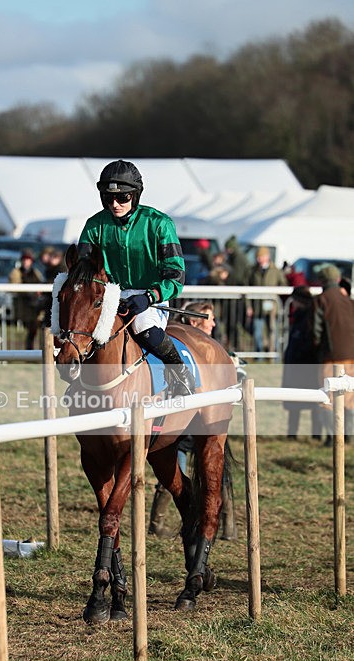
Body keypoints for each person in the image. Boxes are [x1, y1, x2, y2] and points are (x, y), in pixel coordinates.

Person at [79, 160, 194, 395]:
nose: (115, 204)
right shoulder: (94, 226)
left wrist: (149, 297)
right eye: (109, 198)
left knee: (143, 326)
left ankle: (179, 371)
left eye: (123, 198)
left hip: (149, 299)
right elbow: (82, 272)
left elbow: (176, 275)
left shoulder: (159, 223)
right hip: (109, 298)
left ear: (135, 195)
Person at [148, 301, 238, 540]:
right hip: (181, 422)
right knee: (171, 467)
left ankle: (228, 525)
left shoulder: (215, 349)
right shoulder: (189, 344)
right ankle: (158, 522)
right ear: (194, 323)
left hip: (206, 417)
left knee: (218, 470)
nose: (214, 323)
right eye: (209, 319)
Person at [313, 265, 354, 445]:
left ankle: (332, 437)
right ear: (337, 280)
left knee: (327, 397)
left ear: (322, 281)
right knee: (349, 397)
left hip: (331, 356)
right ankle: (349, 436)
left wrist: (316, 348)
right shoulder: (349, 300)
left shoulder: (321, 300)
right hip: (351, 355)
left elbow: (316, 330)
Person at [281, 286, 321, 440]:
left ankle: (308, 433)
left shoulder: (307, 318)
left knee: (311, 401)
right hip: (301, 363)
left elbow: (308, 341)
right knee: (303, 401)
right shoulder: (303, 316)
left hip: (303, 364)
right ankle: (300, 433)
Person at [246, 246, 286, 353]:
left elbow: (283, 284)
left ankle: (274, 353)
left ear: (267, 257)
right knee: (257, 331)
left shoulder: (275, 271)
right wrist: (249, 306)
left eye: (261, 256)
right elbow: (248, 288)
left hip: (272, 307)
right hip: (257, 306)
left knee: (273, 331)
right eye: (258, 257)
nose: (259, 259)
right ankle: (258, 354)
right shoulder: (253, 271)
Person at [8, 248, 45, 349]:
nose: (26, 262)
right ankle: (28, 352)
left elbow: (41, 283)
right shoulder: (16, 272)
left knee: (35, 331)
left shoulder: (35, 272)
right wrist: (31, 292)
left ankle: (34, 351)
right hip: (23, 307)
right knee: (28, 331)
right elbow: (15, 287)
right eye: (24, 259)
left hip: (35, 307)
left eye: (28, 259)